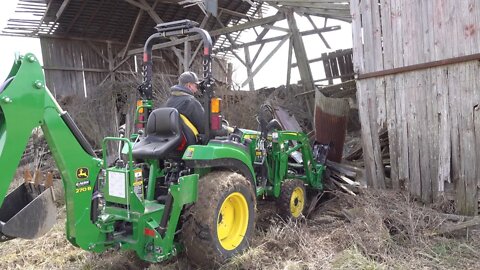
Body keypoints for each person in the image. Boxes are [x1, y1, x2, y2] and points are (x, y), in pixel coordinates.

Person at [165, 71, 206, 136]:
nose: (196, 89)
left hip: (173, 140)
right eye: (196, 86)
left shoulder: (169, 101)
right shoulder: (191, 102)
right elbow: (204, 127)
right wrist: (225, 129)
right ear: (189, 85)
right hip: (189, 143)